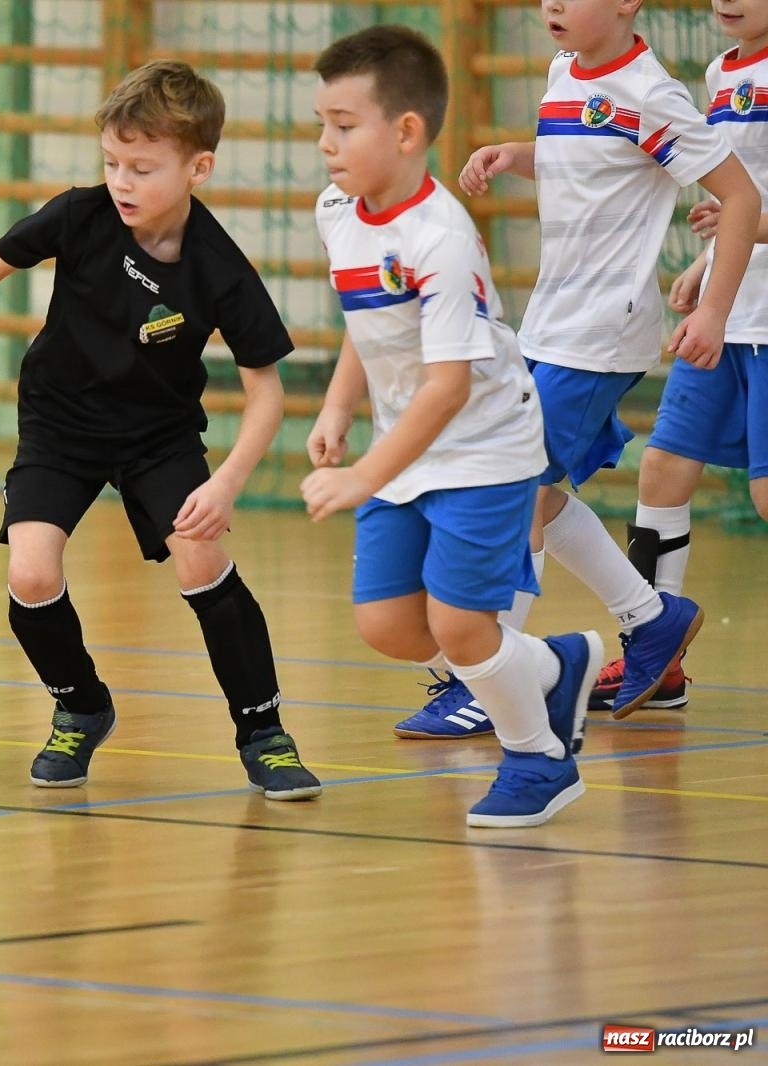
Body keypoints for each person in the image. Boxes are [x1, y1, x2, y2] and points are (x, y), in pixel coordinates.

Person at [0, 60, 321, 798]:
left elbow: (265, 392)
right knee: (30, 573)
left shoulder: (219, 268)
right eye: (112, 162)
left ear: (199, 168)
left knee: (201, 561)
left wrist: (227, 483)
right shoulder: (81, 216)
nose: (121, 181)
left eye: (142, 168)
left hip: (159, 437)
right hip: (61, 425)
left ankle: (263, 732)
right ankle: (80, 706)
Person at [394, 0, 761, 738]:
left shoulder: (651, 94)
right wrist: (515, 154)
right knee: (539, 493)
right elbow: (586, 160)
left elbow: (741, 195)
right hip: (550, 323)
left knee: (517, 493)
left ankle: (493, 680)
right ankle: (652, 619)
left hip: (599, 334)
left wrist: (714, 311)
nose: (553, 5)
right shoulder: (566, 70)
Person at [303, 25, 601, 827]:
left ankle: (538, 760)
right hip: (406, 448)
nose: (326, 143)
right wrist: (337, 406)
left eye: (344, 125)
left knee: (462, 625)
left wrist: (363, 475)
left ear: (407, 131)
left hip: (483, 448)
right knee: (387, 625)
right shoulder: (337, 210)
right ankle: (552, 664)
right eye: (322, 124)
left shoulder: (440, 238)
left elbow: (447, 388)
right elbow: (369, 324)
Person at [600, 0, 768, 710]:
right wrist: (706, 265)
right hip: (728, 312)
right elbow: (742, 192)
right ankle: (655, 654)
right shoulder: (721, 72)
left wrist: (751, 227)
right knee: (664, 467)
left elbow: (750, 208)